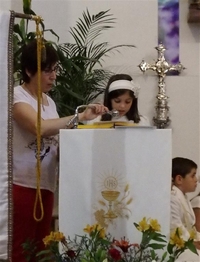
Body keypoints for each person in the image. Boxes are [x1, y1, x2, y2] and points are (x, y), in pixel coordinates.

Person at [12, 39, 108, 262]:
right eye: (47, 71)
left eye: (55, 70)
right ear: (28, 70)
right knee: (21, 250)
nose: (53, 76)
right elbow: (39, 127)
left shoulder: (49, 102)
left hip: (46, 185)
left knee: (42, 250)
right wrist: (80, 116)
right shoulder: (17, 97)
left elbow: (57, 139)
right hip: (22, 185)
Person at [170, 157, 200, 261]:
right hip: (178, 246)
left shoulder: (183, 196)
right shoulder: (172, 198)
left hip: (188, 242)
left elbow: (191, 227)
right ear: (179, 179)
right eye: (193, 175)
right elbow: (175, 228)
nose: (196, 179)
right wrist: (193, 243)